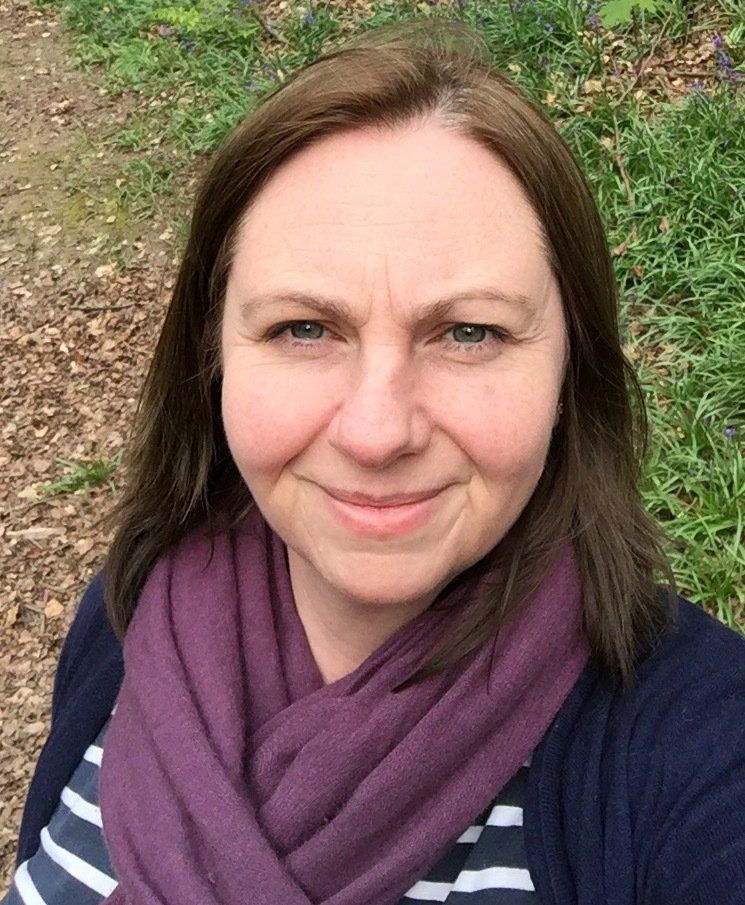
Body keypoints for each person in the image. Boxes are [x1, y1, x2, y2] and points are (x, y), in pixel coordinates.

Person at [4, 17, 745, 905]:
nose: (376, 431)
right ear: (213, 358)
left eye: (468, 332)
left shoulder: (698, 747)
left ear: (569, 373)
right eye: (303, 328)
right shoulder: (127, 618)